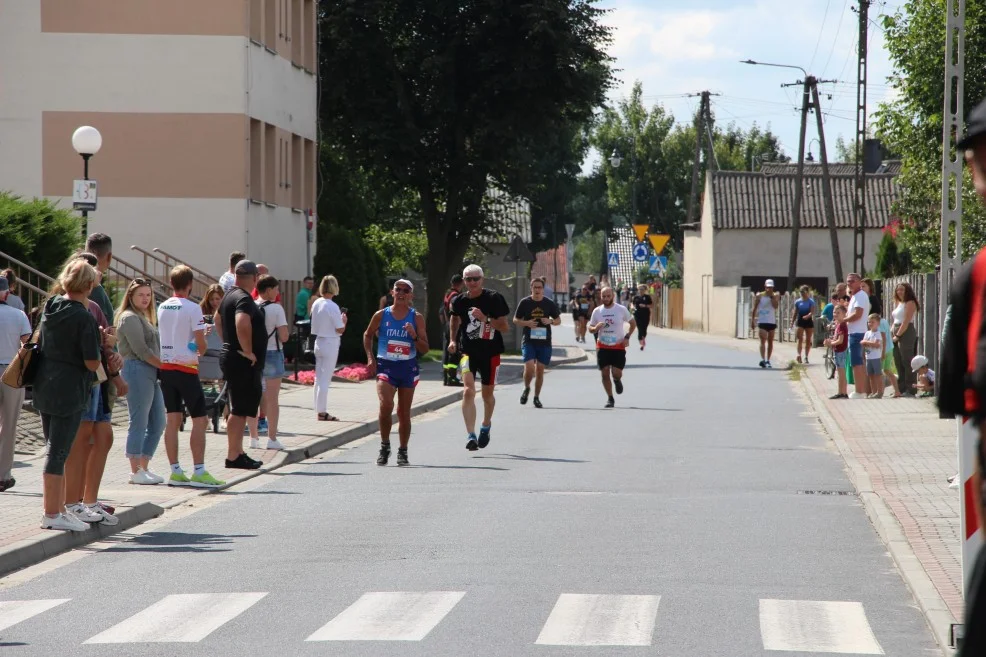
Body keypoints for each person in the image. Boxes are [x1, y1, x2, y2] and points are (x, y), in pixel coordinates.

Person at [33, 259, 102, 531]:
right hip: (70, 388)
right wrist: (102, 343)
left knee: (54, 446)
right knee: (59, 451)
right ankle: (52, 514)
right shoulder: (82, 316)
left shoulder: (51, 306)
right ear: (87, 285)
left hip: (45, 383)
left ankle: (58, 508)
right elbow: (91, 362)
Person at [62, 252, 124, 527]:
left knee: (103, 436)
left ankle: (89, 500)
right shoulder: (61, 307)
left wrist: (112, 352)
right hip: (80, 380)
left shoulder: (94, 308)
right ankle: (72, 502)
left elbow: (104, 346)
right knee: (79, 441)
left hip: (98, 379)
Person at [158, 265, 226, 487]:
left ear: (171, 284)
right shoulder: (193, 308)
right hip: (186, 368)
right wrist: (201, 340)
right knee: (200, 419)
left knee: (172, 419)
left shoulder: (163, 306)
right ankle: (199, 470)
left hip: (166, 367)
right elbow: (201, 346)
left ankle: (175, 470)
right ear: (189, 285)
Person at [364, 279, 429, 466]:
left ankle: (403, 450)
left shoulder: (416, 318)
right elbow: (367, 334)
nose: (401, 293)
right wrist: (370, 358)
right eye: (397, 289)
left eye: (405, 290)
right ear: (392, 293)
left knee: (403, 412)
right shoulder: (381, 315)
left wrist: (414, 335)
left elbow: (425, 348)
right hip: (386, 366)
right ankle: (385, 445)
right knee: (386, 404)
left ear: (411, 295)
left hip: (407, 368)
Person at [448, 265, 510, 450]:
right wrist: (452, 340)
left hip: (491, 353)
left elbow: (504, 327)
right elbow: (454, 318)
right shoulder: (459, 300)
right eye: (468, 279)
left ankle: (485, 425)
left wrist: (486, 319)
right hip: (468, 352)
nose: (472, 282)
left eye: (476, 279)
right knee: (468, 391)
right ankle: (470, 435)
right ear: (464, 281)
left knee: (487, 395)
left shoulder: (494, 298)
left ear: (482, 279)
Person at [214, 260, 266, 470]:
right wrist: (247, 350)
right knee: (240, 409)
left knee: (240, 408)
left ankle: (238, 452)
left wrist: (227, 341)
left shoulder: (229, 295)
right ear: (255, 278)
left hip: (232, 357)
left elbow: (217, 319)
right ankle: (234, 455)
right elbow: (242, 322)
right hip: (242, 361)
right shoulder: (244, 298)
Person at [116, 278, 167, 484]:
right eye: (141, 295)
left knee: (158, 422)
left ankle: (143, 467)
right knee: (139, 420)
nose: (145, 298)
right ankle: (135, 470)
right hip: (137, 369)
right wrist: (166, 367)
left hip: (150, 371)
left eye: (148, 295)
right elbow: (142, 351)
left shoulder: (144, 317)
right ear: (131, 296)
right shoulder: (128, 318)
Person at [0, 275, 32, 491]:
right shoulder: (18, 315)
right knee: (9, 425)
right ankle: (3, 475)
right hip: (11, 372)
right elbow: (28, 345)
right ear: (7, 293)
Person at [249, 274, 288, 450]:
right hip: (272, 353)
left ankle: (253, 438)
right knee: (272, 399)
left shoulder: (250, 306)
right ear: (269, 289)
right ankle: (272, 439)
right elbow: (284, 336)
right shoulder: (277, 309)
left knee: (253, 397)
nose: (278, 291)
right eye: (276, 288)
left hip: (253, 354)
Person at [513, 277, 561, 408]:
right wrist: (526, 323)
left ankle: (536, 397)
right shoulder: (525, 302)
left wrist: (550, 321)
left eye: (540, 287)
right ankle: (526, 387)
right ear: (531, 288)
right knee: (529, 367)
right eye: (535, 287)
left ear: (543, 289)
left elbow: (558, 320)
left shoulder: (549, 303)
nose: (537, 290)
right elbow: (515, 320)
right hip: (529, 340)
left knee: (539, 370)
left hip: (544, 342)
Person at [588, 287, 635, 408]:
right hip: (602, 345)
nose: (606, 298)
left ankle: (617, 380)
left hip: (618, 346)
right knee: (604, 373)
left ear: (613, 296)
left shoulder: (621, 309)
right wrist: (595, 328)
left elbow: (633, 323)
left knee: (616, 373)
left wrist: (627, 337)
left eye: (608, 296)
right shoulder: (597, 311)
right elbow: (590, 328)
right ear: (600, 297)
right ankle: (610, 398)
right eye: (603, 296)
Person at [310, 275, 346, 421]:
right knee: (325, 379)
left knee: (318, 377)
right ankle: (322, 411)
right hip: (330, 342)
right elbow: (340, 329)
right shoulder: (332, 306)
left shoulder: (317, 302)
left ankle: (318, 408)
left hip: (318, 340)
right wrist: (344, 321)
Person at [891, 283, 920, 397]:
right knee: (898, 360)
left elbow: (906, 321)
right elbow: (896, 320)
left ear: (907, 290)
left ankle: (910, 389)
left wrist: (897, 336)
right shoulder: (899, 303)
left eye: (902, 290)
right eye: (898, 290)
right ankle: (901, 388)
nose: (899, 292)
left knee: (907, 360)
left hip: (906, 331)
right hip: (896, 329)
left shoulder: (910, 303)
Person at [845, 273, 871, 397]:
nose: (849, 283)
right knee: (857, 363)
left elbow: (858, 314)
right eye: (848, 281)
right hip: (855, 332)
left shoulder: (860, 295)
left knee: (857, 363)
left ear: (859, 282)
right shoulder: (854, 296)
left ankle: (859, 391)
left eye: (852, 281)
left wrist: (843, 320)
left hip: (858, 332)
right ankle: (862, 390)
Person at [441, 274, 464, 387]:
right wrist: (459, 324)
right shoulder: (455, 296)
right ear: (461, 283)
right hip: (454, 326)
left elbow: (442, 311)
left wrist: (446, 323)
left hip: (447, 324)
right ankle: (452, 378)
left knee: (447, 351)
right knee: (455, 351)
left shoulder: (447, 293)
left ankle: (446, 377)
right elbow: (454, 312)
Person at [751, 279, 779, 368]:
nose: (769, 289)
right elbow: (754, 308)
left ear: (773, 287)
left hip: (771, 321)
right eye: (767, 287)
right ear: (765, 287)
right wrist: (753, 321)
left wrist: (772, 297)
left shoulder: (775, 295)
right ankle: (763, 359)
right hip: (762, 321)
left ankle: (768, 360)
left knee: (770, 341)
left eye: (770, 287)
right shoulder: (760, 296)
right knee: (763, 340)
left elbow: (775, 306)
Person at [824, 305, 849, 399]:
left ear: (844, 314)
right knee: (840, 372)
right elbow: (836, 338)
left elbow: (840, 341)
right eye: (834, 312)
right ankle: (842, 392)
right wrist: (830, 341)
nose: (836, 314)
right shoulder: (838, 324)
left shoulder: (842, 325)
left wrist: (831, 344)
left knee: (841, 372)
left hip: (841, 351)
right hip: (838, 350)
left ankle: (842, 392)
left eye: (838, 313)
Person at [875, 304, 901, 398]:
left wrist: (882, 353)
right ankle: (897, 391)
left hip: (884, 350)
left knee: (880, 371)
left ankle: (880, 392)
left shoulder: (879, 323)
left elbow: (883, 338)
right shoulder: (884, 321)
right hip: (889, 348)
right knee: (887, 370)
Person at [860, 313, 885, 399]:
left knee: (877, 375)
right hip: (868, 357)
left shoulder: (877, 333)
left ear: (877, 323)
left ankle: (880, 391)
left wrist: (867, 342)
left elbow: (877, 344)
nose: (870, 324)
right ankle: (874, 391)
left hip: (876, 357)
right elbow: (862, 342)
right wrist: (868, 343)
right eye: (869, 322)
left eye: (872, 322)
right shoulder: (867, 333)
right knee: (870, 375)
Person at [791, 285, 816, 364]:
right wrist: (792, 322)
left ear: (807, 292)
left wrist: (808, 316)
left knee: (808, 340)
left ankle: (806, 356)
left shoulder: (811, 301)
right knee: (799, 339)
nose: (802, 294)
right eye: (801, 292)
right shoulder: (798, 302)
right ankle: (799, 355)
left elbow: (812, 312)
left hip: (808, 321)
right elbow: (795, 312)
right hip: (800, 321)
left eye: (804, 292)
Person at [631, 283, 653, 351]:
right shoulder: (636, 297)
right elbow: (632, 304)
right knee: (640, 328)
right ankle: (641, 343)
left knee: (644, 329)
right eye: (639, 289)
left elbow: (651, 305)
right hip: (637, 314)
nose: (640, 290)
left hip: (646, 314)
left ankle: (643, 338)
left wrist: (645, 306)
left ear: (645, 290)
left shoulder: (647, 297)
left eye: (642, 289)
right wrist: (632, 308)